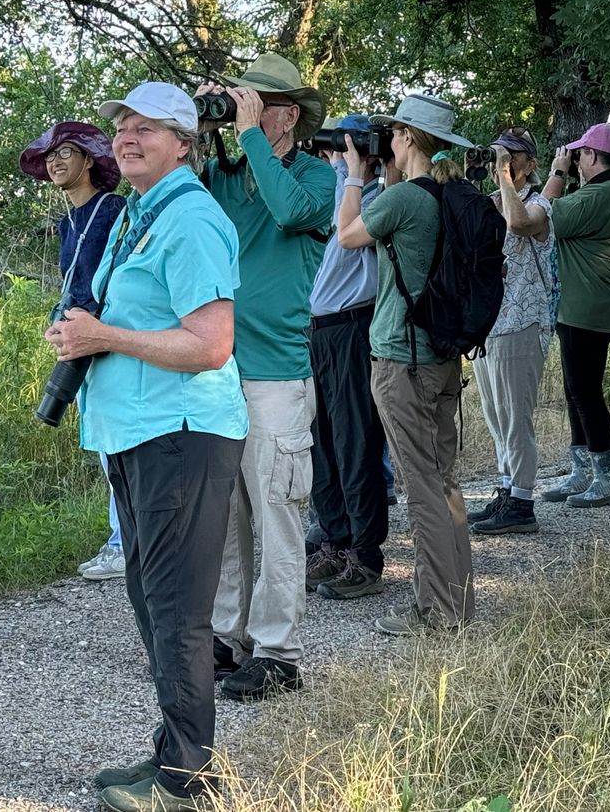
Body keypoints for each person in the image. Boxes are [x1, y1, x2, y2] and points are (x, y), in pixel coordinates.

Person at [43, 82, 247, 812]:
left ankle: (188, 783)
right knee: (150, 601)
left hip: (182, 435)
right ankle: (171, 756)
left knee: (178, 613)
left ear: (185, 143)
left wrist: (104, 336)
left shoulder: (190, 219)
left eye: (147, 127)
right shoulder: (141, 213)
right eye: (121, 124)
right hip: (139, 433)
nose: (126, 135)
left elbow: (210, 344)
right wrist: (80, 336)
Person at [196, 53, 335, 701]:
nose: (245, 111)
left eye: (256, 103)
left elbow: (288, 213)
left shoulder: (316, 176)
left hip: (279, 373)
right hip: (219, 370)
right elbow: (185, 214)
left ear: (285, 115)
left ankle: (280, 651)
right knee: (225, 516)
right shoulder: (225, 177)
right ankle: (228, 637)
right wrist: (202, 128)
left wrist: (249, 138)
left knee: (278, 512)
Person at [336, 92, 475, 635]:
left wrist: (353, 175)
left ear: (409, 138)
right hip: (440, 357)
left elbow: (349, 236)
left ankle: (436, 611)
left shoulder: (405, 201)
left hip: (400, 357)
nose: (387, 142)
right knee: (443, 482)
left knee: (420, 488)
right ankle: (458, 601)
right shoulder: (445, 195)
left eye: (393, 134)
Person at [19, 122, 127, 580]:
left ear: (90, 161)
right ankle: (122, 537)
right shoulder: (69, 222)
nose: (56, 162)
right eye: (50, 156)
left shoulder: (113, 210)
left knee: (119, 444)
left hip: (111, 339)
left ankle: (125, 542)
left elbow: (115, 281)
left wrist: (91, 325)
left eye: (66, 153)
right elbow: (74, 284)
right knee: (104, 444)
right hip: (80, 341)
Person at [304, 113, 390, 599]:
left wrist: (354, 168)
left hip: (355, 327)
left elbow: (346, 230)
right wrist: (341, 165)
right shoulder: (347, 191)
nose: (336, 151)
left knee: (356, 442)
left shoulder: (377, 200)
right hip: (323, 331)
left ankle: (366, 553)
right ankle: (335, 541)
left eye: (347, 143)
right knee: (323, 443)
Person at [539, 123, 610, 508]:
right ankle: (584, 471)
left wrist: (557, 172)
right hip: (599, 301)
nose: (576, 159)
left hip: (588, 306)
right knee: (577, 389)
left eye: (580, 154)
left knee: (585, 392)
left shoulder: (601, 194)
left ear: (594, 157)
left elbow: (548, 216)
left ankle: (603, 477)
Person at [468, 128, 557, 535]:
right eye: (498, 156)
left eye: (511, 156)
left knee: (516, 417)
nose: (501, 162)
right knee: (496, 416)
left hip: (523, 321)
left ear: (529, 164)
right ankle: (506, 490)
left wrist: (504, 177)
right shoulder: (489, 203)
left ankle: (522, 500)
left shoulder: (538, 205)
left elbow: (520, 225)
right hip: (491, 324)